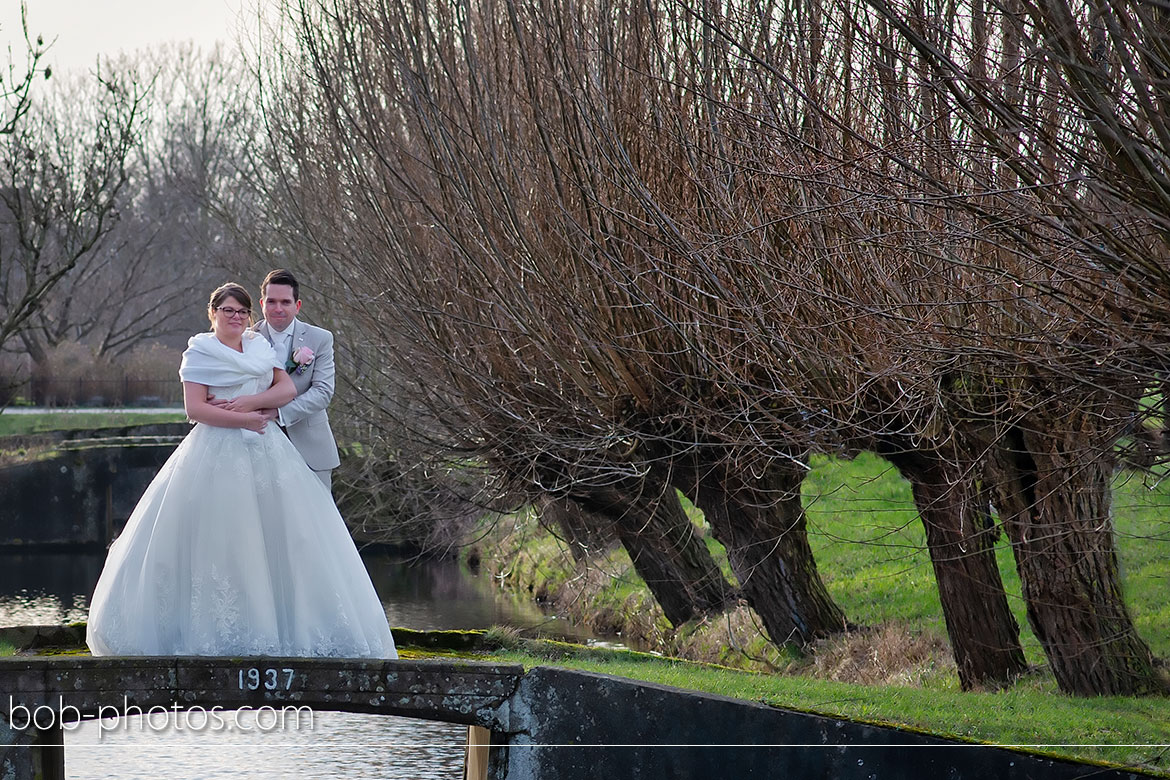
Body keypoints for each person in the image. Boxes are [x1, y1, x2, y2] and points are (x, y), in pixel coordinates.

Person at [86, 283, 396, 659]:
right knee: (218, 537)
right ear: (212, 312)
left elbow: (285, 392)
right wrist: (241, 422)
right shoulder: (199, 353)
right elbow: (196, 410)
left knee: (288, 537)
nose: (236, 317)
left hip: (266, 449)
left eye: (242, 311)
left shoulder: (259, 348)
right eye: (228, 310)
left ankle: (289, 629)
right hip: (214, 452)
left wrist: (250, 405)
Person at [250, 269, 340, 489]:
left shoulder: (320, 339)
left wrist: (279, 413)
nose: (278, 308)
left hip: (310, 448)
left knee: (319, 519)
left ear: (297, 305)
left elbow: (323, 392)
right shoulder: (247, 339)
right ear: (262, 303)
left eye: (285, 302)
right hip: (259, 446)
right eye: (271, 302)